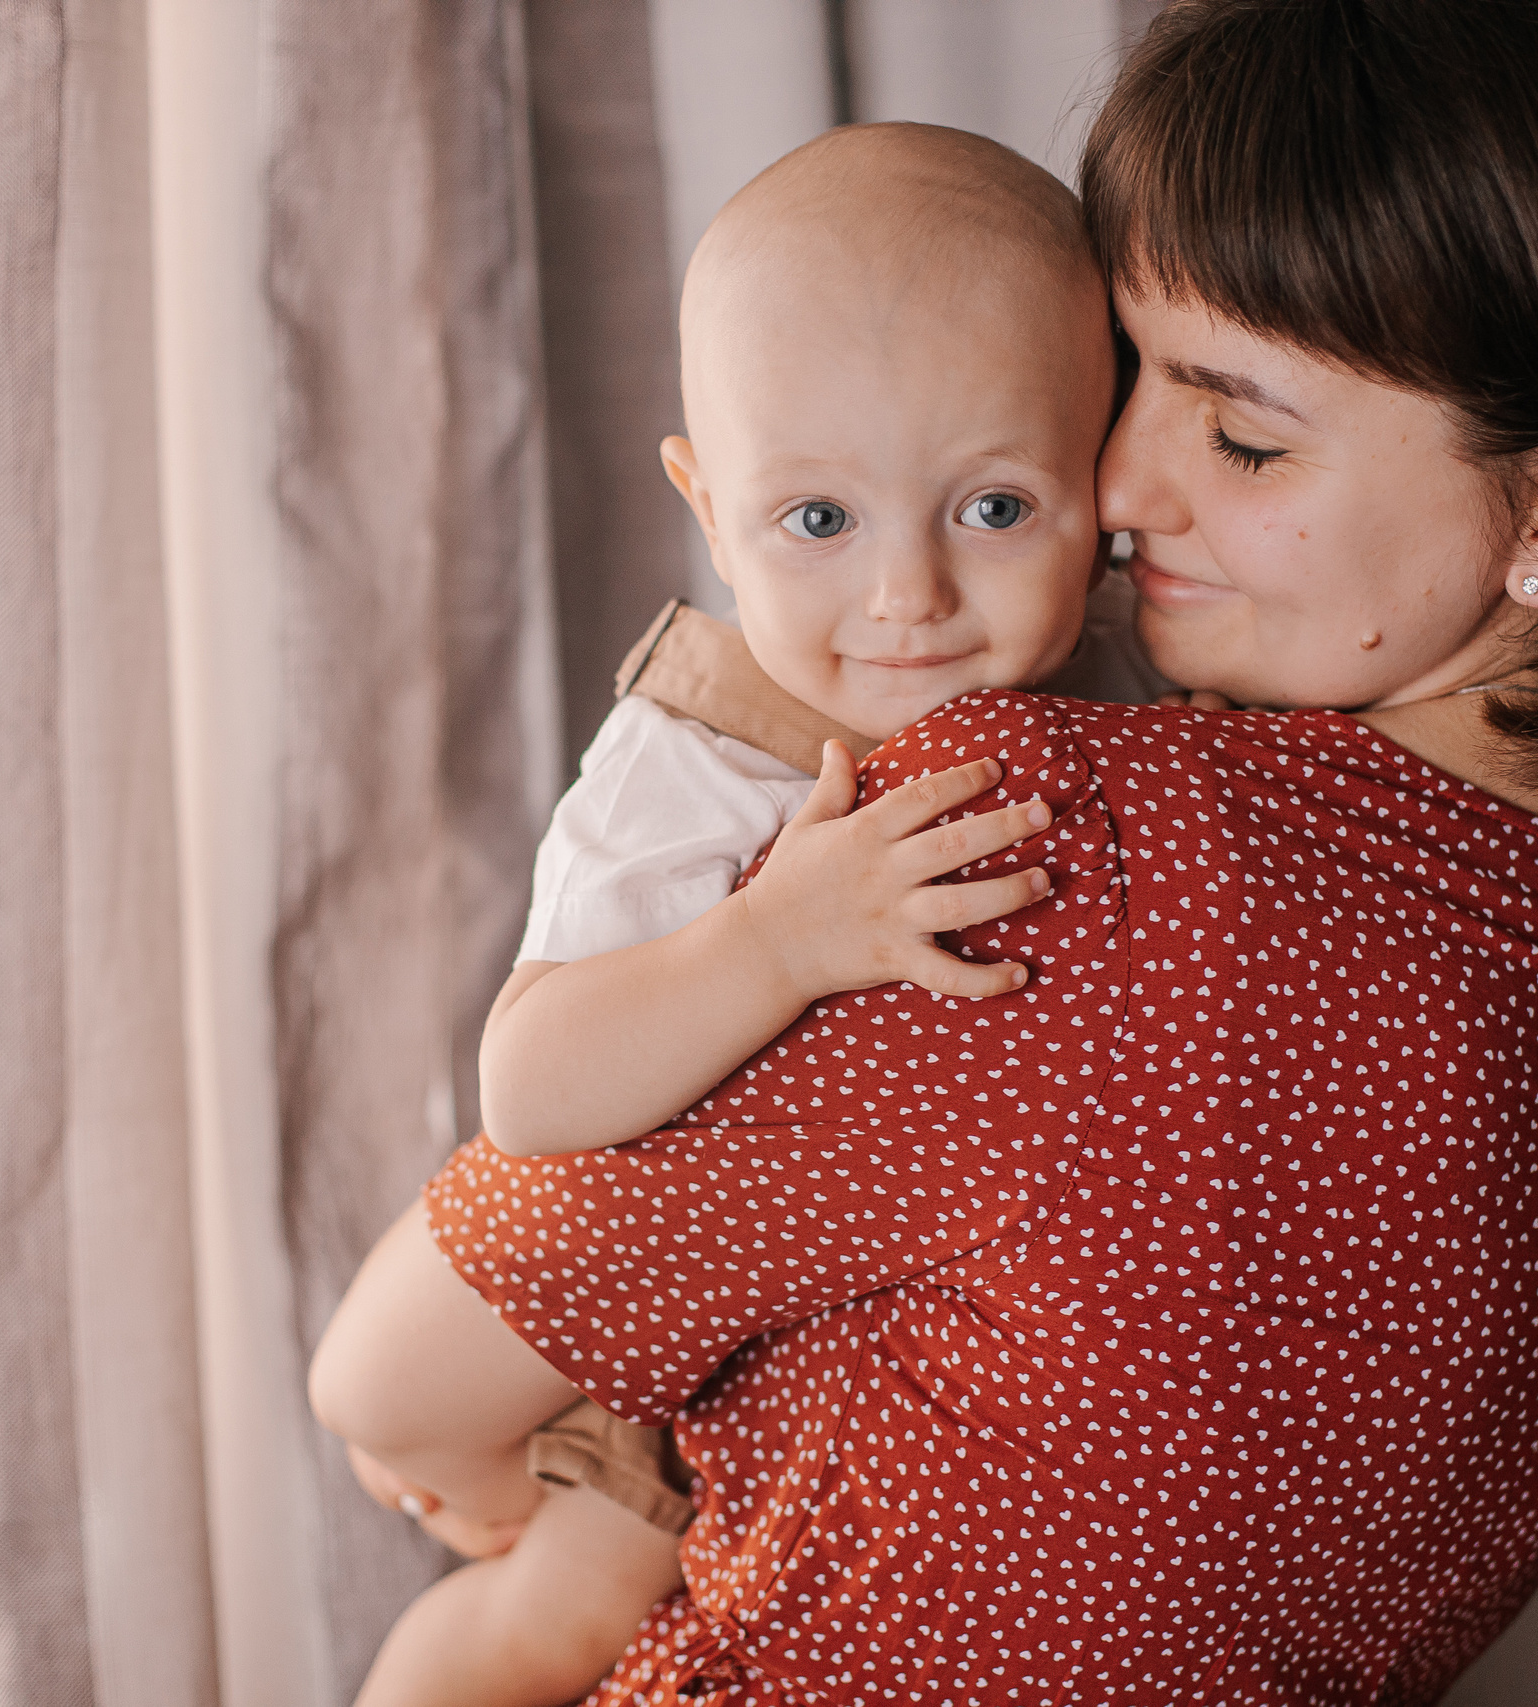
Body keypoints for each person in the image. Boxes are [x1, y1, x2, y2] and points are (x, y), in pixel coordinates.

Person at [316, 2, 1538, 1702]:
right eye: (1128, 373)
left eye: (1242, 434)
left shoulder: (1068, 846)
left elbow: (397, 1378)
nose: (1123, 486)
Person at [310, 122, 1171, 1707]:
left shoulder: (1114, 673)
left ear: (1103, 469)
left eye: (994, 508)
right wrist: (773, 938)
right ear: (711, 510)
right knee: (543, 1633)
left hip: (868, 1352)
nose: (907, 596)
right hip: (646, 1331)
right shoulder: (702, 757)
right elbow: (532, 1086)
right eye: (818, 523)